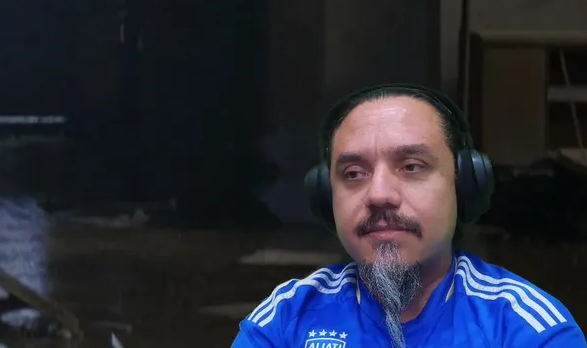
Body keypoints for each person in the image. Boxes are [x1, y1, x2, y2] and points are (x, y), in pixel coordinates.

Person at [232, 83, 585, 348]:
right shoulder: (285, 320)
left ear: (464, 186)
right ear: (326, 197)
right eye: (354, 173)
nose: (379, 195)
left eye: (412, 166)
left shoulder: (526, 330)